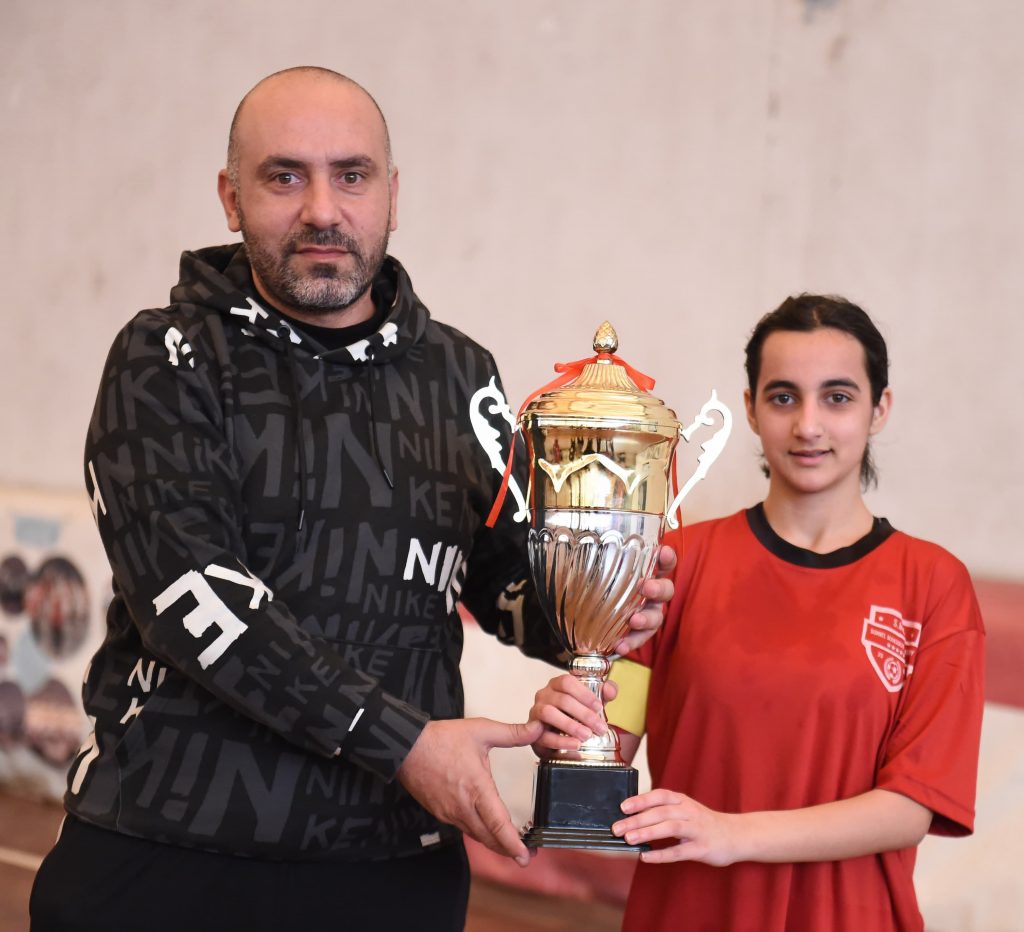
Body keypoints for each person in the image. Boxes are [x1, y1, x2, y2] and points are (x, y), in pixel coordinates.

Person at [29, 66, 674, 931]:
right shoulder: (167, 358)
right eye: (284, 176)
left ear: (393, 196)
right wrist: (405, 743)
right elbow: (196, 600)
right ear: (230, 197)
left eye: (352, 175)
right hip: (167, 859)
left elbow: (502, 581)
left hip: (392, 871)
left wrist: (591, 612)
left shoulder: (460, 374)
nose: (322, 210)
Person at [530, 294, 985, 932]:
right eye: (783, 397)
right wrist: (568, 725)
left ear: (879, 408)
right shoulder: (672, 565)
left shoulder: (932, 585)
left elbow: (912, 806)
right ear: (750, 407)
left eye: (837, 397)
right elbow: (612, 745)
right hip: (688, 915)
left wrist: (730, 834)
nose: (808, 425)